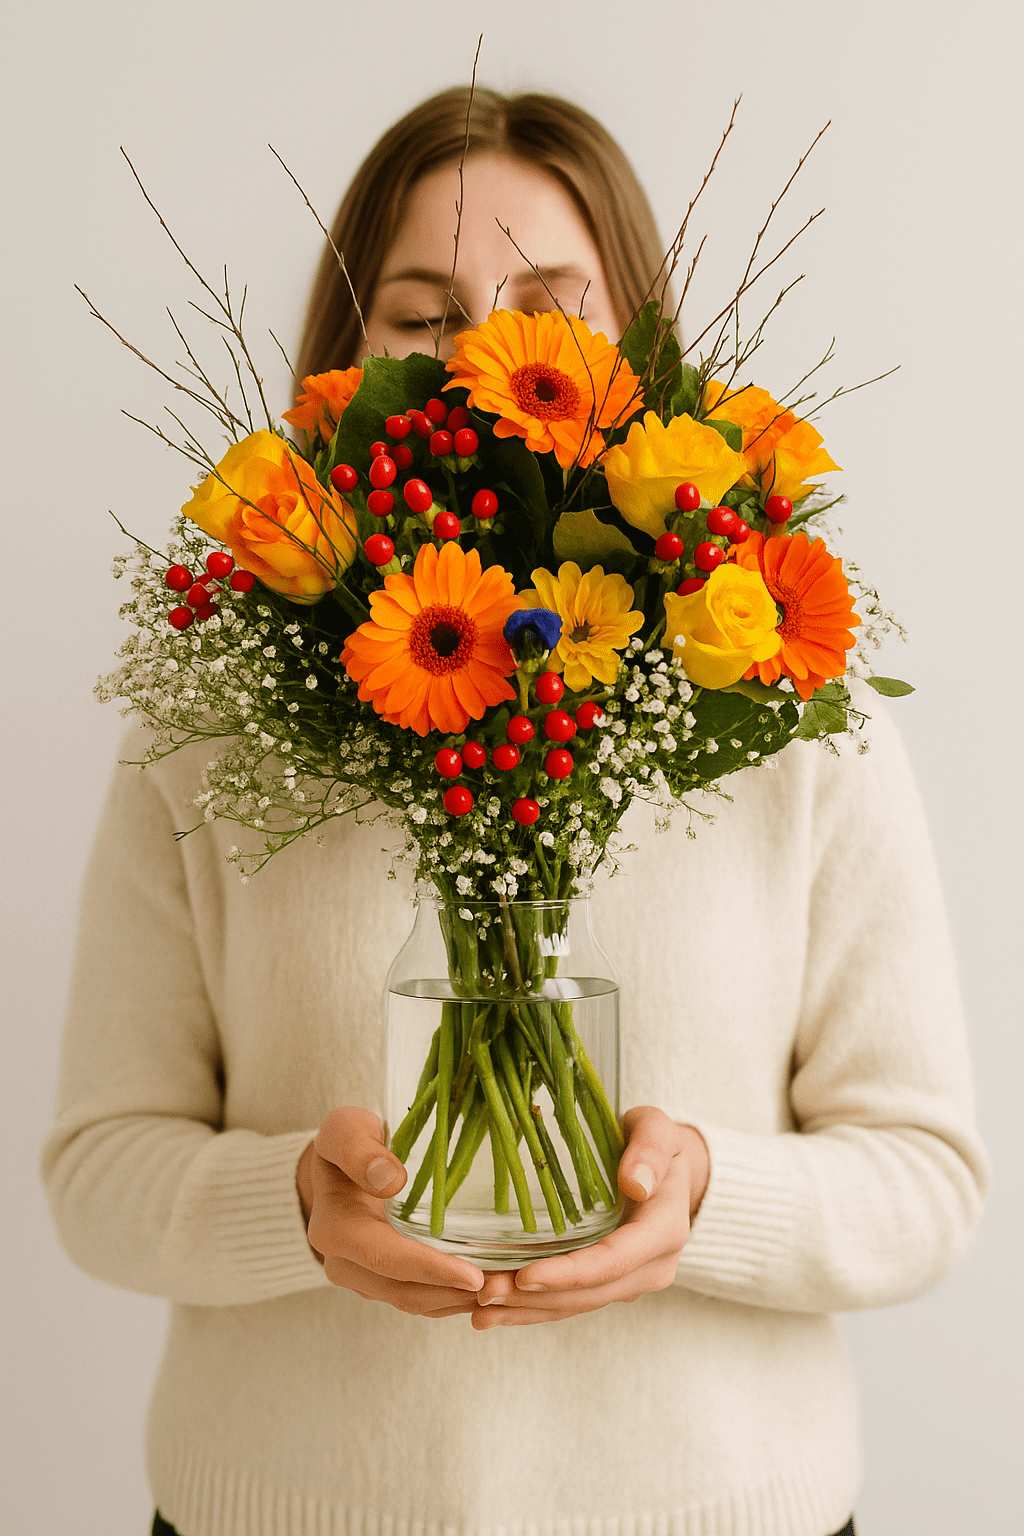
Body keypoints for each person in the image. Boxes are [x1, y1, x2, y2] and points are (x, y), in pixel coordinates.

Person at [40, 87, 988, 1536]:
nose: (484, 354)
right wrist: (299, 1207)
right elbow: (100, 1171)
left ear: (639, 348)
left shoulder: (785, 695)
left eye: (548, 304)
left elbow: (927, 1180)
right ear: (345, 365)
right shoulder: (207, 720)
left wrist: (701, 1206)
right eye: (421, 314)